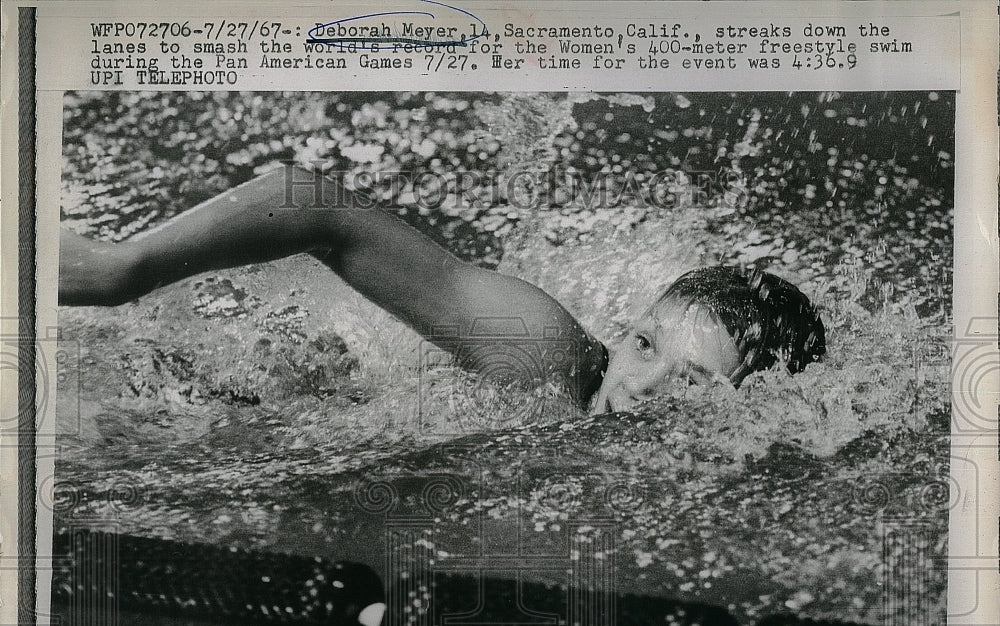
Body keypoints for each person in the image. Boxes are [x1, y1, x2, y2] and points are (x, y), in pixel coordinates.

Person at [59, 165, 826, 413]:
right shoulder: (547, 358)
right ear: (626, 328)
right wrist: (122, 269)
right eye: (645, 344)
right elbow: (319, 206)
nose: (639, 386)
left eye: (688, 384)